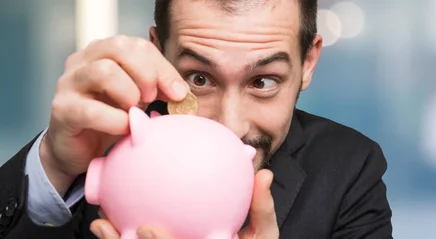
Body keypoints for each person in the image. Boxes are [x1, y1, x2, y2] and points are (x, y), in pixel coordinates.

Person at [0, 0, 393, 238]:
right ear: (159, 53)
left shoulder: (349, 169)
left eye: (263, 81)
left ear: (307, 63)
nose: (230, 126)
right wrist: (52, 165)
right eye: (199, 79)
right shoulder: (104, 145)